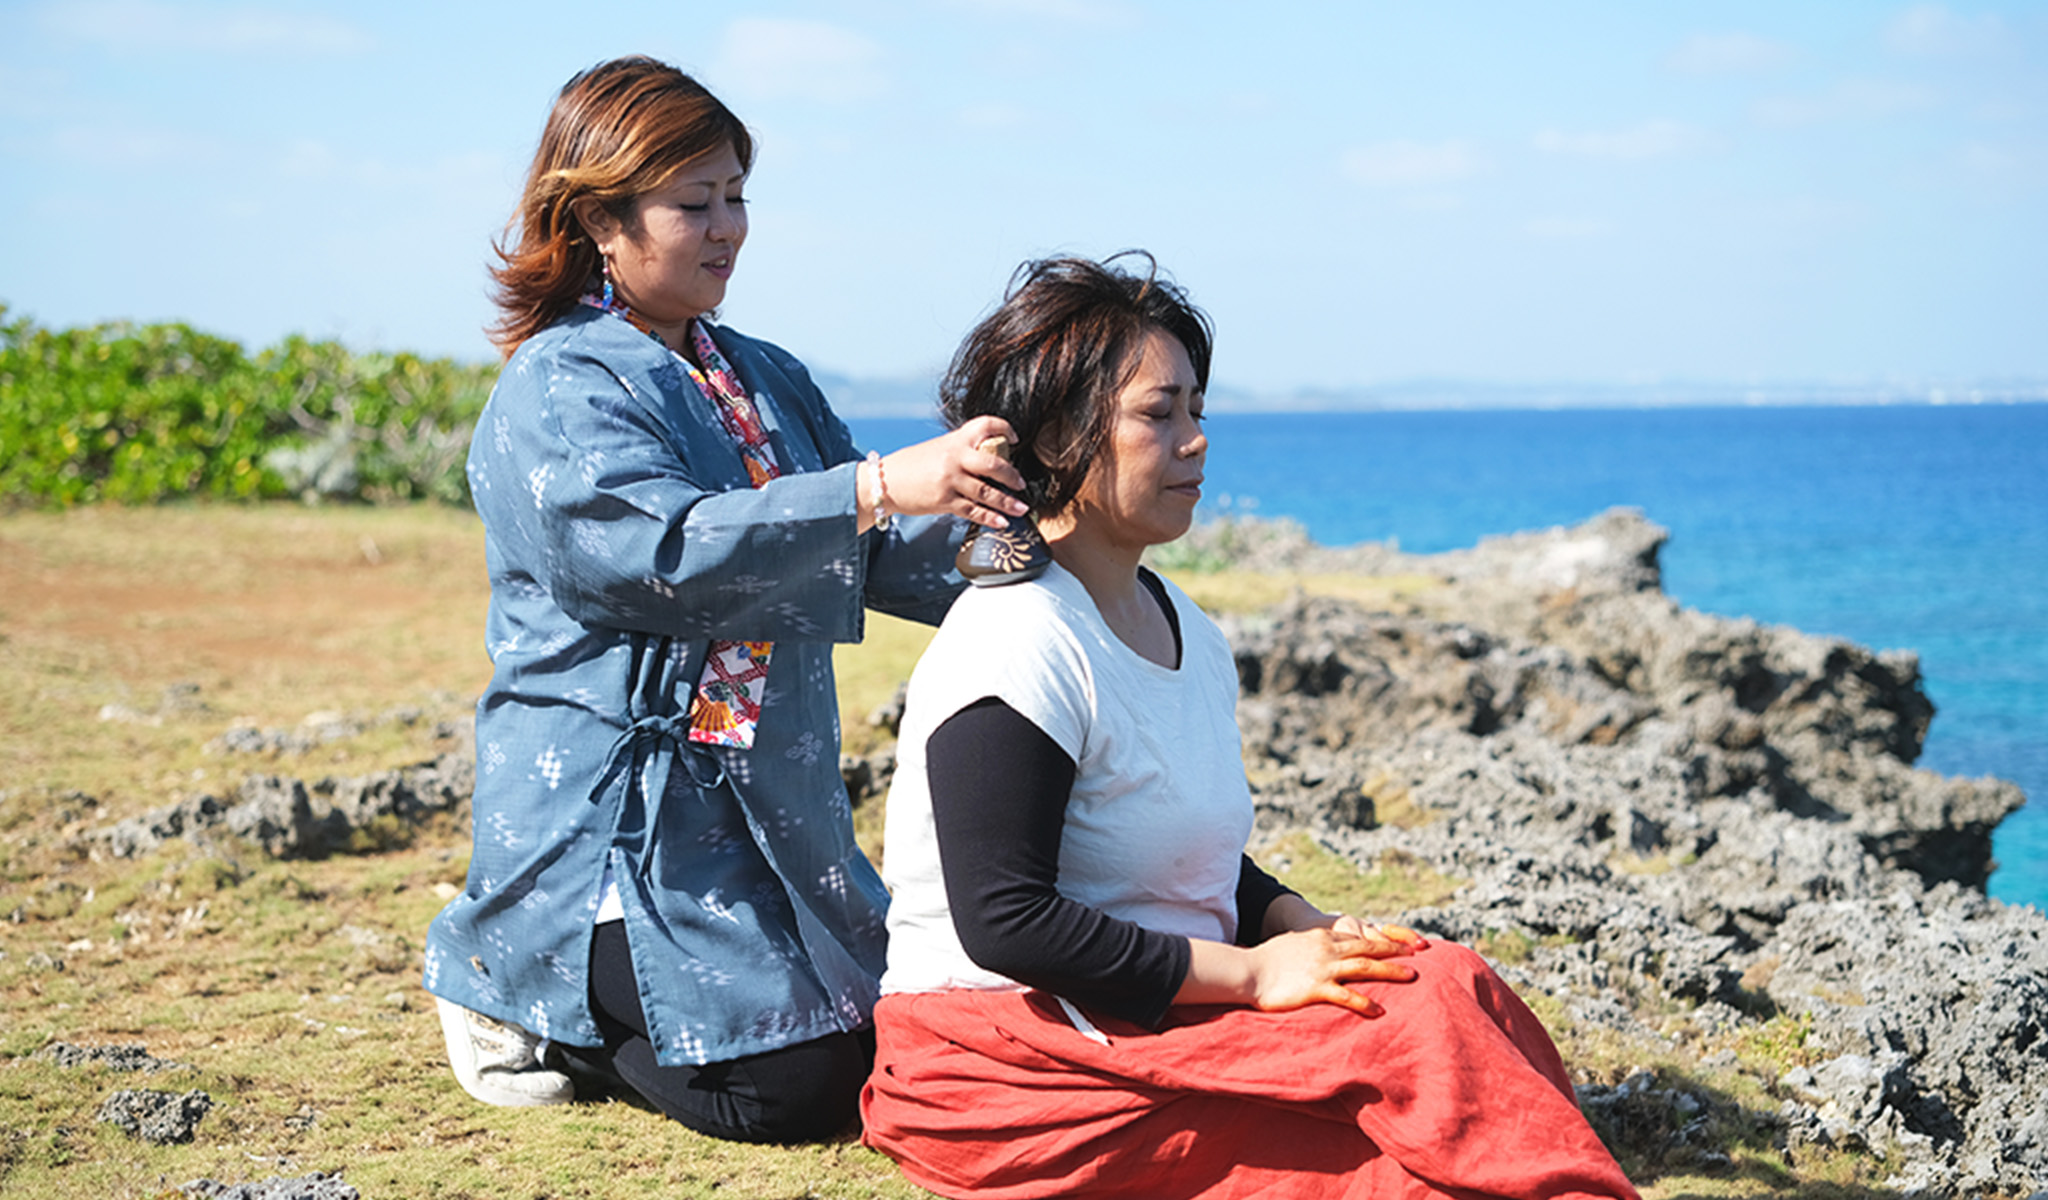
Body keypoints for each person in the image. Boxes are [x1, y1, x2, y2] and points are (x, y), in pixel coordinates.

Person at [861, 254, 1641, 1199]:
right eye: (1160, 414)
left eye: (1198, 408)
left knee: (1438, 982)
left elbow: (1163, 839)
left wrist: (1295, 921)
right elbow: (1006, 922)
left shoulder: (1187, 626)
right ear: (1063, 435)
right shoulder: (1016, 636)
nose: (1195, 441)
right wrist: (1258, 977)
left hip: (1150, 1010)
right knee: (1401, 1168)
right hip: (1007, 1056)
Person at [421, 55, 1029, 1144]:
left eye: (736, 196)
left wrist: (1043, 550)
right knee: (788, 1097)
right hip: (619, 829)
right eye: (692, 203)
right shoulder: (555, 386)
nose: (726, 228)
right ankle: (528, 1003)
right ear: (600, 219)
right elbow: (659, 553)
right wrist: (879, 483)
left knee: (902, 1041)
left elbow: (878, 551)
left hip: (768, 809)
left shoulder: (763, 374)